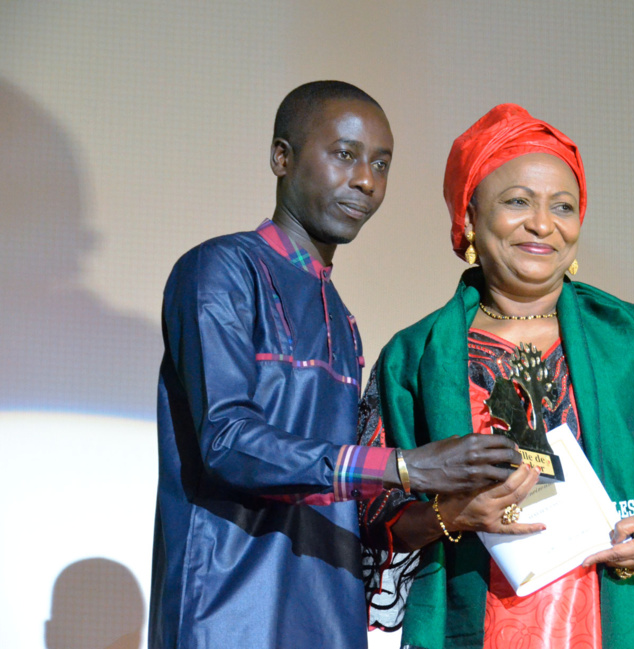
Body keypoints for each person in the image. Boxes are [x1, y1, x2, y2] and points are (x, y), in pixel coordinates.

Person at [357, 104, 634, 649]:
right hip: (477, 621)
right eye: (517, 202)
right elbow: (368, 510)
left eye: (564, 206)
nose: (543, 224)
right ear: (467, 217)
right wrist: (453, 514)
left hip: (624, 613)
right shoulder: (413, 358)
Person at [150, 82, 524, 649]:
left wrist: (454, 511)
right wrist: (405, 466)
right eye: (345, 155)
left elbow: (350, 490)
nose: (367, 182)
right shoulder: (220, 270)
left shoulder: (341, 317)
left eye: (381, 164)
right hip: (228, 610)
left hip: (327, 613)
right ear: (282, 157)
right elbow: (227, 441)